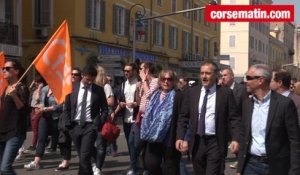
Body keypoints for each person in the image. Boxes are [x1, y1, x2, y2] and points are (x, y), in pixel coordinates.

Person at [176, 60, 240, 175]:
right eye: (202, 73)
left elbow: (234, 118)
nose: (204, 76)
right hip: (197, 142)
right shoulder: (192, 93)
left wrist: (235, 138)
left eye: (208, 73)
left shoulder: (225, 93)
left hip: (215, 142)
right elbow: (183, 117)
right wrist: (180, 136)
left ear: (215, 75)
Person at [237, 64, 300, 175]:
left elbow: (294, 140)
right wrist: (239, 169)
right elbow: (244, 136)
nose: (245, 81)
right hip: (250, 165)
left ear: (260, 80)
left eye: (248, 78)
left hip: (276, 166)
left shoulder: (284, 104)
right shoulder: (247, 104)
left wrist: (294, 171)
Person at [64, 65, 108, 175]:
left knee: (84, 156)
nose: (89, 82)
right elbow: (67, 108)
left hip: (90, 127)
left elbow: (105, 109)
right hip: (75, 126)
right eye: (88, 79)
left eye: (92, 80)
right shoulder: (71, 88)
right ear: (82, 76)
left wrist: (99, 122)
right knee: (83, 157)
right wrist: (68, 124)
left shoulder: (99, 90)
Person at [140, 69, 181, 175]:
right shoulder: (155, 94)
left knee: (171, 169)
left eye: (169, 79)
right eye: (163, 79)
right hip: (153, 137)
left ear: (174, 81)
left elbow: (182, 117)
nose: (166, 82)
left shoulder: (178, 95)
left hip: (169, 139)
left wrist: (182, 137)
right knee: (150, 165)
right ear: (160, 80)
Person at [128, 62, 159, 174]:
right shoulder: (143, 83)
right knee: (132, 142)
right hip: (139, 117)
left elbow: (150, 95)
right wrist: (137, 89)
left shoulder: (155, 81)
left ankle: (145, 168)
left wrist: (144, 81)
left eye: (140, 68)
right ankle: (134, 167)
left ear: (147, 70)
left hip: (148, 118)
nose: (138, 71)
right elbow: (140, 100)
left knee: (139, 144)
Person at [0, 59, 29, 175]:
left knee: (5, 168)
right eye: (3, 68)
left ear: (16, 71)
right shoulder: (5, 88)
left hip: (15, 131)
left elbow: (25, 110)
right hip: (2, 130)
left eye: (7, 68)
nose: (4, 70)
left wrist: (14, 96)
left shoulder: (21, 88)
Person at [24, 85, 63, 170]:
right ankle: (36, 162)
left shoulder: (61, 89)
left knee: (62, 140)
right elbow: (39, 101)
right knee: (41, 138)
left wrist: (46, 108)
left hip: (56, 118)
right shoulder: (45, 89)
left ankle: (66, 160)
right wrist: (38, 92)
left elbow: (61, 106)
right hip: (44, 117)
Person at [111, 63, 139, 175]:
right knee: (129, 143)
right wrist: (115, 112)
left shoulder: (139, 84)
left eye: (128, 70)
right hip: (126, 118)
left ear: (134, 71)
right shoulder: (123, 85)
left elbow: (144, 101)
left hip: (137, 118)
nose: (126, 72)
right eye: (125, 70)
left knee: (135, 143)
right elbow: (120, 100)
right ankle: (134, 164)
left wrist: (135, 104)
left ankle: (134, 166)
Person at [55, 67, 82, 171]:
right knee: (64, 141)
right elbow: (61, 103)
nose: (73, 76)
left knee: (79, 142)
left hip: (77, 119)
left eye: (76, 74)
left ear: (80, 77)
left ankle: (85, 161)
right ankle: (65, 162)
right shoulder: (66, 87)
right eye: (72, 74)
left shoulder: (81, 88)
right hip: (65, 117)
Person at [220, 67, 248, 169]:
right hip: (223, 127)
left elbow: (245, 108)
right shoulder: (219, 89)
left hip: (237, 126)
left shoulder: (241, 89)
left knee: (238, 150)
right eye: (222, 76)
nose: (223, 78)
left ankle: (241, 166)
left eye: (225, 75)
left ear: (232, 76)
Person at [92, 65, 115, 175]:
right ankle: (94, 162)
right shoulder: (91, 86)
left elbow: (111, 101)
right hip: (90, 119)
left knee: (100, 144)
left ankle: (98, 167)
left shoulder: (106, 86)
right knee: (89, 144)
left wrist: (99, 102)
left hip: (102, 119)